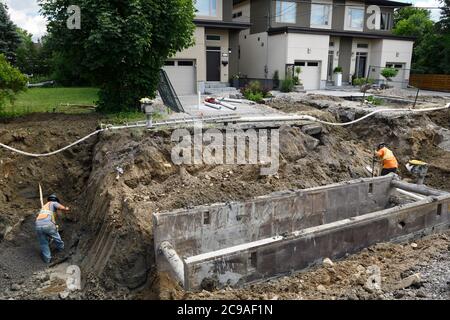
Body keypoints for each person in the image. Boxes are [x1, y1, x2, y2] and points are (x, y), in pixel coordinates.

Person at [35, 194, 70, 263]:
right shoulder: (53, 203)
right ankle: (61, 250)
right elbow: (60, 207)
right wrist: (66, 208)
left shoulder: (44, 207)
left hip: (38, 225)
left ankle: (47, 260)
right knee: (56, 237)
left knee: (43, 243)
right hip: (47, 224)